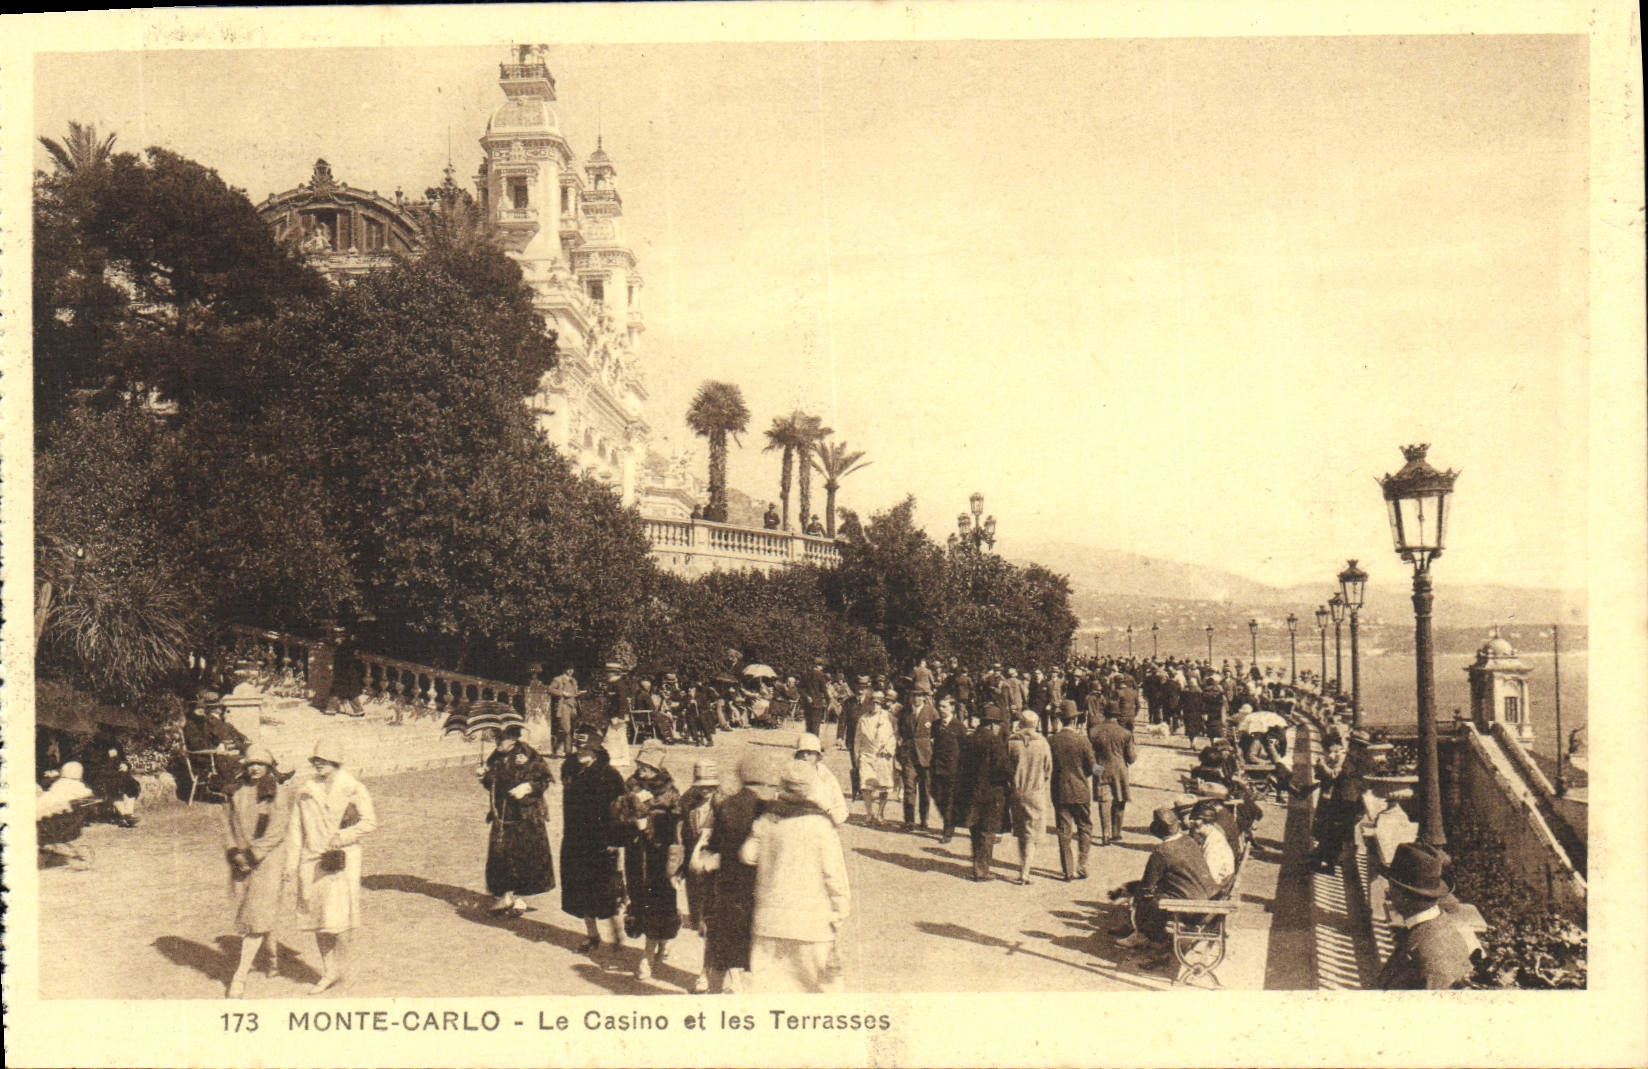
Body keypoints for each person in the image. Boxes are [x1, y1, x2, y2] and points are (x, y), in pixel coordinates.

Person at [740, 765, 850, 993]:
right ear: (812, 790)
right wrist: (839, 912)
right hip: (811, 925)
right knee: (819, 997)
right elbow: (835, 876)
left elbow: (748, 855)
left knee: (767, 995)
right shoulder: (821, 826)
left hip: (768, 922)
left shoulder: (767, 820)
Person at [291, 739, 378, 993]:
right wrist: (291, 863)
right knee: (318, 920)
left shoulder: (353, 788)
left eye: (324, 759)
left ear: (335, 762)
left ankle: (347, 970)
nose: (318, 763)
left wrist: (344, 836)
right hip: (313, 860)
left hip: (342, 860)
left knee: (339, 922)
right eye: (315, 759)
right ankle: (328, 971)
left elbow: (370, 822)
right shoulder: (305, 791)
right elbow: (296, 829)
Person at [222, 746, 295, 998]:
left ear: (269, 767)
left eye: (260, 765)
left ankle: (239, 977)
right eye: (251, 764)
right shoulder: (236, 792)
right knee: (257, 913)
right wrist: (235, 852)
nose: (254, 768)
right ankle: (273, 960)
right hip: (241, 860)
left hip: (268, 860)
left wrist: (254, 855)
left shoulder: (276, 792)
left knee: (257, 913)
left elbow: (277, 830)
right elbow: (227, 825)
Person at [697, 752, 769, 993]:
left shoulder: (727, 806)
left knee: (723, 941)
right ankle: (738, 988)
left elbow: (714, 846)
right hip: (756, 887)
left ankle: (715, 989)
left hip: (727, 884)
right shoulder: (767, 809)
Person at [615, 739, 684, 981]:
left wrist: (651, 825)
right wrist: (632, 816)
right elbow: (618, 813)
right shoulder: (630, 786)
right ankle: (658, 944)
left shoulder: (670, 792)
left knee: (660, 903)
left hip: (659, 857)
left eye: (646, 767)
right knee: (640, 899)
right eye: (639, 765)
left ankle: (648, 955)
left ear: (656, 769)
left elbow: (677, 825)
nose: (641, 770)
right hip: (636, 855)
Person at [560, 721, 627, 966]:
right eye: (578, 750)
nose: (580, 755)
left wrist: (615, 840)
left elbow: (620, 811)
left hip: (602, 841)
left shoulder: (609, 775)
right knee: (579, 889)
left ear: (596, 751)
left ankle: (617, 934)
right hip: (575, 838)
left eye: (585, 751)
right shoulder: (568, 767)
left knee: (607, 890)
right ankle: (592, 935)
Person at [1113, 807, 1218, 958]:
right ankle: (1146, 933)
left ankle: (1142, 935)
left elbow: (1146, 886)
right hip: (1207, 899)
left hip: (1192, 909)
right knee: (1156, 894)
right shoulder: (1189, 840)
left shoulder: (1161, 852)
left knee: (1146, 897)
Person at [478, 724, 556, 915]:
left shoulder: (527, 755)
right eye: (496, 739)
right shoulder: (496, 756)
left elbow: (544, 779)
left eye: (501, 739)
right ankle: (505, 896)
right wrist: (483, 776)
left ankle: (519, 898)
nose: (497, 743)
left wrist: (527, 787)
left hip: (525, 815)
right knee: (501, 855)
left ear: (512, 740)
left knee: (524, 855)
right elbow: (493, 785)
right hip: (503, 814)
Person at [1376, 843, 1475, 989]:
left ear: (1402, 895)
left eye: (1391, 887)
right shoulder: (1438, 926)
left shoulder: (1432, 960)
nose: (1387, 893)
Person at [678, 758, 722, 960]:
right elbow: (680, 833)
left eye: (709, 787)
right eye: (701, 787)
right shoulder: (688, 805)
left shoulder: (722, 807)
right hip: (692, 861)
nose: (705, 791)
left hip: (713, 863)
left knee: (711, 909)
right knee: (695, 903)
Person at [962, 705, 1012, 881]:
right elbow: (1003, 768)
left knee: (975, 830)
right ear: (992, 725)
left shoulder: (970, 739)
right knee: (988, 831)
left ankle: (977, 866)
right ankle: (982, 870)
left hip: (972, 791)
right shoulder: (994, 741)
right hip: (991, 792)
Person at [1049, 701, 1097, 880]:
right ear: (1075, 720)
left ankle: (1068, 870)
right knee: (1085, 826)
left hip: (1060, 791)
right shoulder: (1082, 740)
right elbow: (1093, 767)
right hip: (1081, 790)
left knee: (1064, 830)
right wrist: (1102, 770)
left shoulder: (1052, 740)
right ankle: (1082, 865)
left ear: (1061, 720)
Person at [1007, 709, 1053, 885]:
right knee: (1032, 835)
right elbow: (1048, 770)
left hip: (1016, 792)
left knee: (1021, 831)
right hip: (1035, 792)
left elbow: (1006, 766)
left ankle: (1022, 868)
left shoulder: (1012, 743)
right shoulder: (1042, 743)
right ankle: (1025, 872)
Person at [1089, 706, 1137, 846]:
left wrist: (1097, 771)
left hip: (1101, 768)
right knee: (1119, 799)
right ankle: (1116, 832)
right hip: (1120, 770)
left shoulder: (1094, 732)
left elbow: (1090, 755)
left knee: (1104, 801)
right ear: (1118, 716)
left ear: (1104, 713)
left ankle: (1105, 834)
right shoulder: (1125, 733)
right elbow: (1131, 758)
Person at [81, 725, 142, 827]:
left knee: (131, 784)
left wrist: (125, 765)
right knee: (113, 786)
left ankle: (128, 815)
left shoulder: (116, 745)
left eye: (109, 733)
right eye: (104, 733)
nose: (107, 736)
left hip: (116, 774)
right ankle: (125, 815)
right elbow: (90, 766)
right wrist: (105, 756)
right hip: (98, 776)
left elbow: (124, 759)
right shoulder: (92, 747)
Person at [853, 692, 898, 827]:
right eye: (872, 703)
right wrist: (857, 756)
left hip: (883, 756)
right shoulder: (863, 719)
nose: (875, 705)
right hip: (867, 755)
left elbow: (895, 735)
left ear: (881, 704)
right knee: (866, 786)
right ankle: (869, 813)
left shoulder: (889, 717)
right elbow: (858, 739)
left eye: (878, 703)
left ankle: (880, 813)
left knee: (884, 786)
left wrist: (889, 749)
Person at [896, 693, 938, 831]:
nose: (916, 699)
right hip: (908, 755)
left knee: (925, 790)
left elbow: (937, 732)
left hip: (926, 756)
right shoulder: (904, 712)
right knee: (909, 788)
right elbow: (899, 732)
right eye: (913, 695)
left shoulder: (931, 712)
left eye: (919, 696)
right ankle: (909, 821)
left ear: (924, 698)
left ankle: (924, 820)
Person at [929, 696, 967, 843]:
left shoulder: (959, 726)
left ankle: (948, 831)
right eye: (940, 706)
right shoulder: (936, 724)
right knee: (939, 797)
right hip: (937, 768)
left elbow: (964, 748)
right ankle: (949, 822)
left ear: (952, 708)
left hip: (953, 770)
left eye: (944, 706)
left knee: (949, 800)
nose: (941, 709)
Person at [793, 733, 848, 826]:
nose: (805, 756)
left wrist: (831, 817)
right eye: (802, 753)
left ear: (817, 756)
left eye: (810, 753)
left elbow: (840, 805)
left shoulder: (824, 774)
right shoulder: (791, 772)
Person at [1187, 799, 1236, 887]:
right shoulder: (1213, 834)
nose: (1192, 822)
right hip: (1220, 881)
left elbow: (1209, 877)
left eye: (1197, 819)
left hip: (1217, 886)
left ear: (1208, 822)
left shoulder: (1214, 845)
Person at [840, 677, 873, 798]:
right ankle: (857, 790)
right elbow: (842, 720)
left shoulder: (871, 703)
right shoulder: (848, 702)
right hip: (852, 738)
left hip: (867, 739)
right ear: (855, 688)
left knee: (867, 763)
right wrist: (839, 736)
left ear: (867, 689)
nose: (860, 691)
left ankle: (866, 789)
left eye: (863, 688)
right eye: (859, 688)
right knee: (855, 764)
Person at [547, 667, 581, 756]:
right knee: (565, 729)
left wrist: (578, 694)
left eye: (572, 669)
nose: (571, 671)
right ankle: (565, 751)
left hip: (573, 706)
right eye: (569, 669)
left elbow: (575, 692)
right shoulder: (558, 679)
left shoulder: (574, 680)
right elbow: (550, 690)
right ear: (564, 669)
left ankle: (564, 749)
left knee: (572, 729)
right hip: (563, 706)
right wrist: (563, 693)